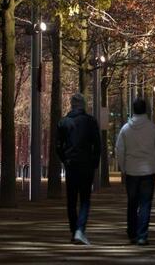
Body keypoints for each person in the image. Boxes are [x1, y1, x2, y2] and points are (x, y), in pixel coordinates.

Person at [116, 98, 155, 246]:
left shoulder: (125, 129)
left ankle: (132, 233)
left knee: (132, 203)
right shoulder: (153, 129)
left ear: (133, 109)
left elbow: (120, 150)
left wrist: (123, 167)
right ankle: (142, 235)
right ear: (146, 110)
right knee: (145, 203)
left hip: (131, 171)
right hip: (148, 171)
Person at [56, 93, 101, 245]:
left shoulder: (63, 122)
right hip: (86, 164)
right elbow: (97, 144)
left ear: (71, 105)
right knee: (85, 200)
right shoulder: (90, 121)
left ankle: (74, 230)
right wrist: (95, 162)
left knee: (71, 200)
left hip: (71, 165)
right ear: (84, 105)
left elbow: (58, 145)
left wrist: (65, 159)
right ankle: (80, 230)